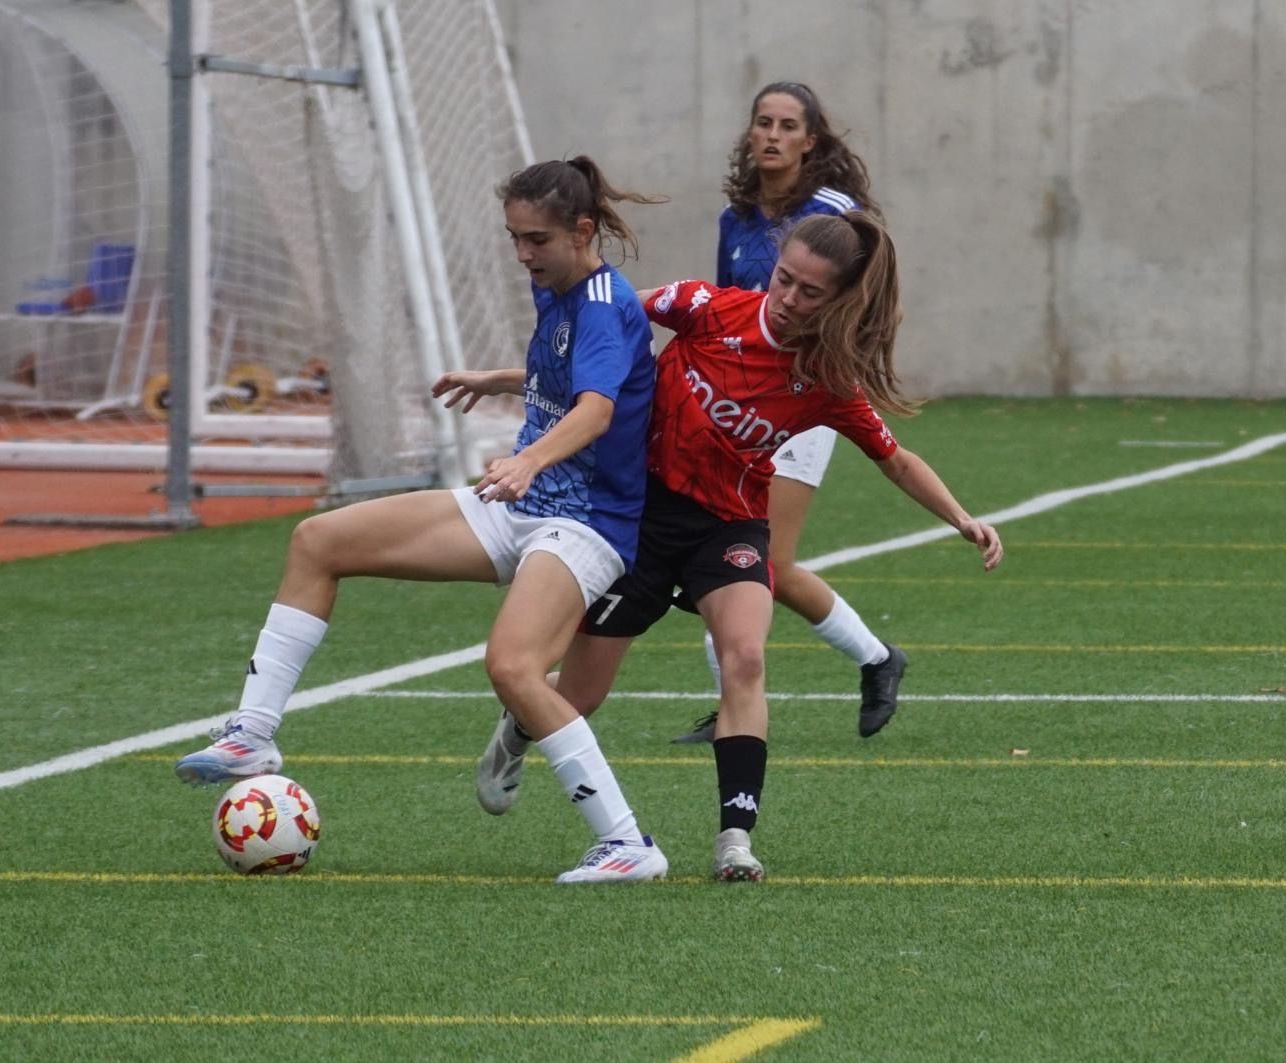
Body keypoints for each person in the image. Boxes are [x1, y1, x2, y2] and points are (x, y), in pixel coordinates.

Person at [174, 157, 671, 884]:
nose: (522, 254)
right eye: (514, 238)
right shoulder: (559, 289)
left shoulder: (601, 301)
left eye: (536, 239)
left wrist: (529, 460)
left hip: (585, 525)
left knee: (511, 665)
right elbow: (582, 380)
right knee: (319, 541)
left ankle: (628, 843)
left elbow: (597, 411)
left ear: (582, 231)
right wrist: (501, 379)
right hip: (518, 506)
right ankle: (252, 735)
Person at [474, 211, 1005, 882]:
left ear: (839, 301)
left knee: (746, 656)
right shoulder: (705, 305)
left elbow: (895, 459)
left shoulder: (828, 381)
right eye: (784, 280)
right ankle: (516, 732)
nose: (788, 300)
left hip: (726, 527)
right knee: (578, 694)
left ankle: (735, 838)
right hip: (635, 517)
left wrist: (961, 517)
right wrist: (506, 378)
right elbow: (600, 333)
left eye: (811, 293)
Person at [678, 80, 904, 745]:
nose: (772, 135)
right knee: (731, 553)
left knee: (757, 561)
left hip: (800, 402)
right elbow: (725, 310)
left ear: (811, 141)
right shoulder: (735, 219)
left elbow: (863, 274)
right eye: (762, 122)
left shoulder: (831, 211)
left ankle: (871, 658)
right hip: (739, 404)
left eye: (787, 125)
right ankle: (857, 663)